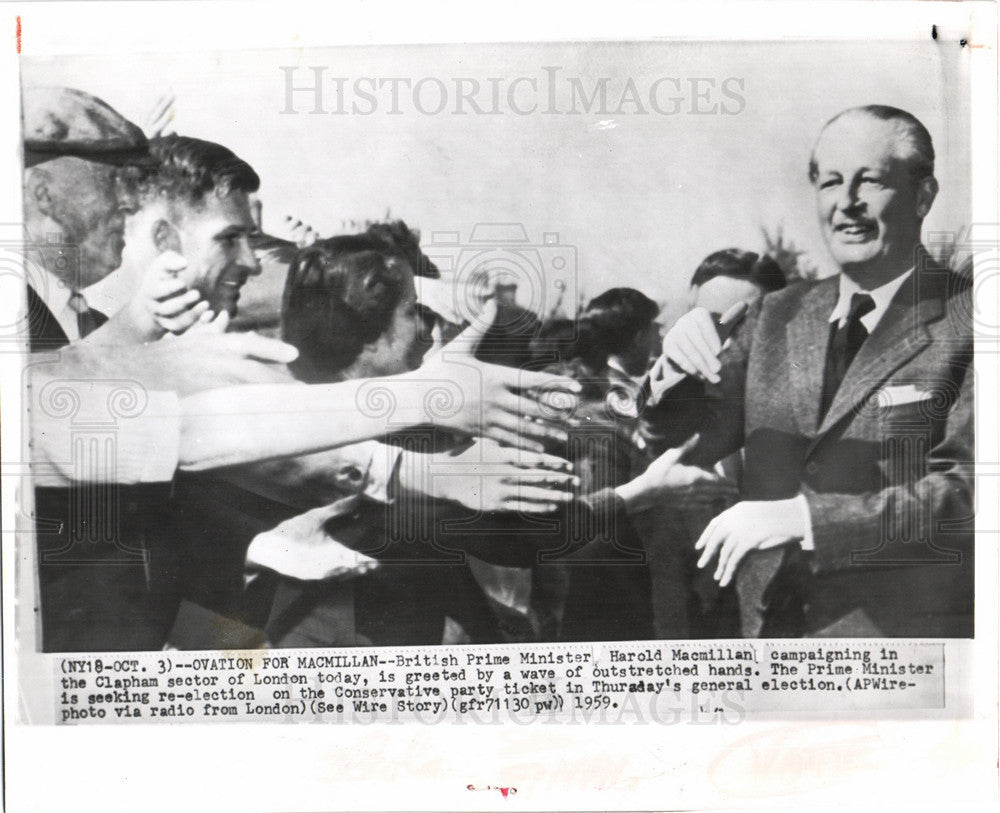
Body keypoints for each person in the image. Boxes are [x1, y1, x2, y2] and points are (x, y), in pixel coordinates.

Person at [655, 105, 973, 637]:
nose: (846, 203)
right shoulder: (774, 314)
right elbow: (688, 435)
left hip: (902, 649)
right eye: (830, 183)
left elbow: (972, 495)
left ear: (923, 196)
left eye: (869, 181)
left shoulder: (975, 322)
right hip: (767, 632)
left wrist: (804, 519)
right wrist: (677, 363)